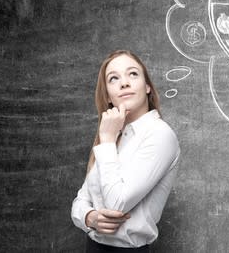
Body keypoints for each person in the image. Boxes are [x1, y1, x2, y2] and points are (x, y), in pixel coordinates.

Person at [71, 50, 180, 252]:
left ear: (147, 86)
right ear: (108, 96)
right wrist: (89, 217)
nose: (124, 83)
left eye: (133, 74)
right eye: (114, 78)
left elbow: (116, 205)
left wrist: (107, 140)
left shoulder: (159, 135)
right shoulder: (114, 136)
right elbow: (80, 201)